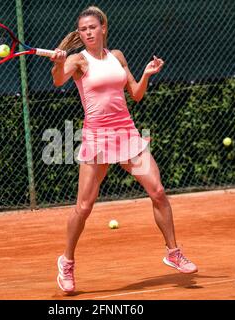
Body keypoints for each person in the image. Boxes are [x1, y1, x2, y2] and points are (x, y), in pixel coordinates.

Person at [50, 6, 197, 294]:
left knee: (158, 191)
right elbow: (58, 80)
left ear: (103, 27)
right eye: (83, 29)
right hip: (96, 138)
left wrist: (146, 74)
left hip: (127, 134)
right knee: (84, 206)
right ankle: (66, 262)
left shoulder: (117, 57)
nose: (88, 32)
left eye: (92, 27)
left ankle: (173, 252)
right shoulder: (79, 60)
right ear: (79, 34)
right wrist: (58, 62)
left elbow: (136, 94)